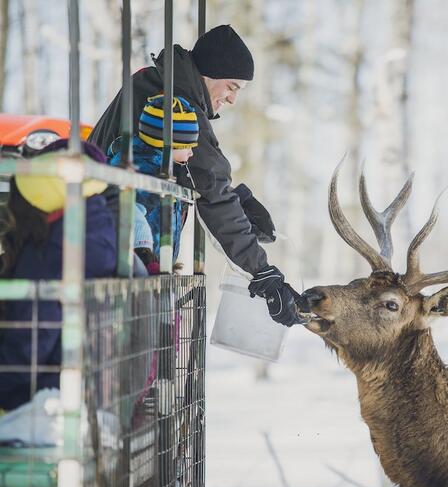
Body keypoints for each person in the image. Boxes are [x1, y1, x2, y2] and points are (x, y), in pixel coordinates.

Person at [89, 25, 305, 326]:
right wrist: (262, 272)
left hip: (104, 243)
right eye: (231, 87)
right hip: (126, 258)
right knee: (135, 346)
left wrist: (239, 200)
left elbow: (202, 175)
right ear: (210, 74)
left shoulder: (151, 82)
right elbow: (212, 190)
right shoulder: (177, 104)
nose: (232, 99)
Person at [0, 141, 116, 411]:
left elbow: (28, 345)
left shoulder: (51, 250)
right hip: (92, 391)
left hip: (42, 397)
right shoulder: (99, 229)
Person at [108, 94, 199, 269]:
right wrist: (148, 262)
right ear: (168, 145)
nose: (191, 153)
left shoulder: (157, 167)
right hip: (140, 266)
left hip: (153, 265)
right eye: (187, 146)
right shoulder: (145, 172)